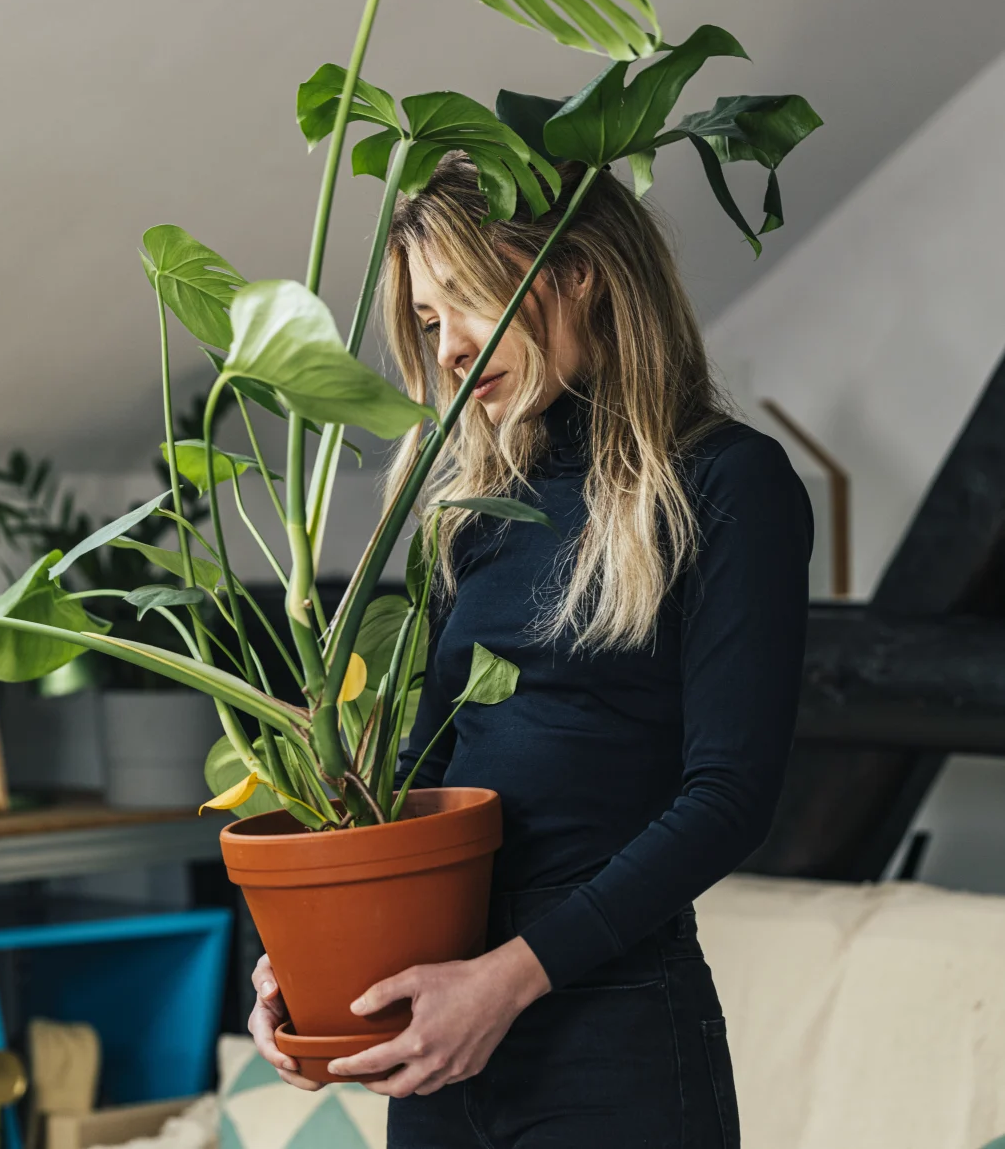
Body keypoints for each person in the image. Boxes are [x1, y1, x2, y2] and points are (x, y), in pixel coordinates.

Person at [248, 153, 814, 1148]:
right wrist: (313, 961)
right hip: (440, 1036)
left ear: (577, 267)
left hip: (613, 1033)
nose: (449, 347)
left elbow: (731, 799)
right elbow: (417, 781)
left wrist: (506, 982)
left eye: (464, 298)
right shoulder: (469, 512)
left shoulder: (728, 483)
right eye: (426, 324)